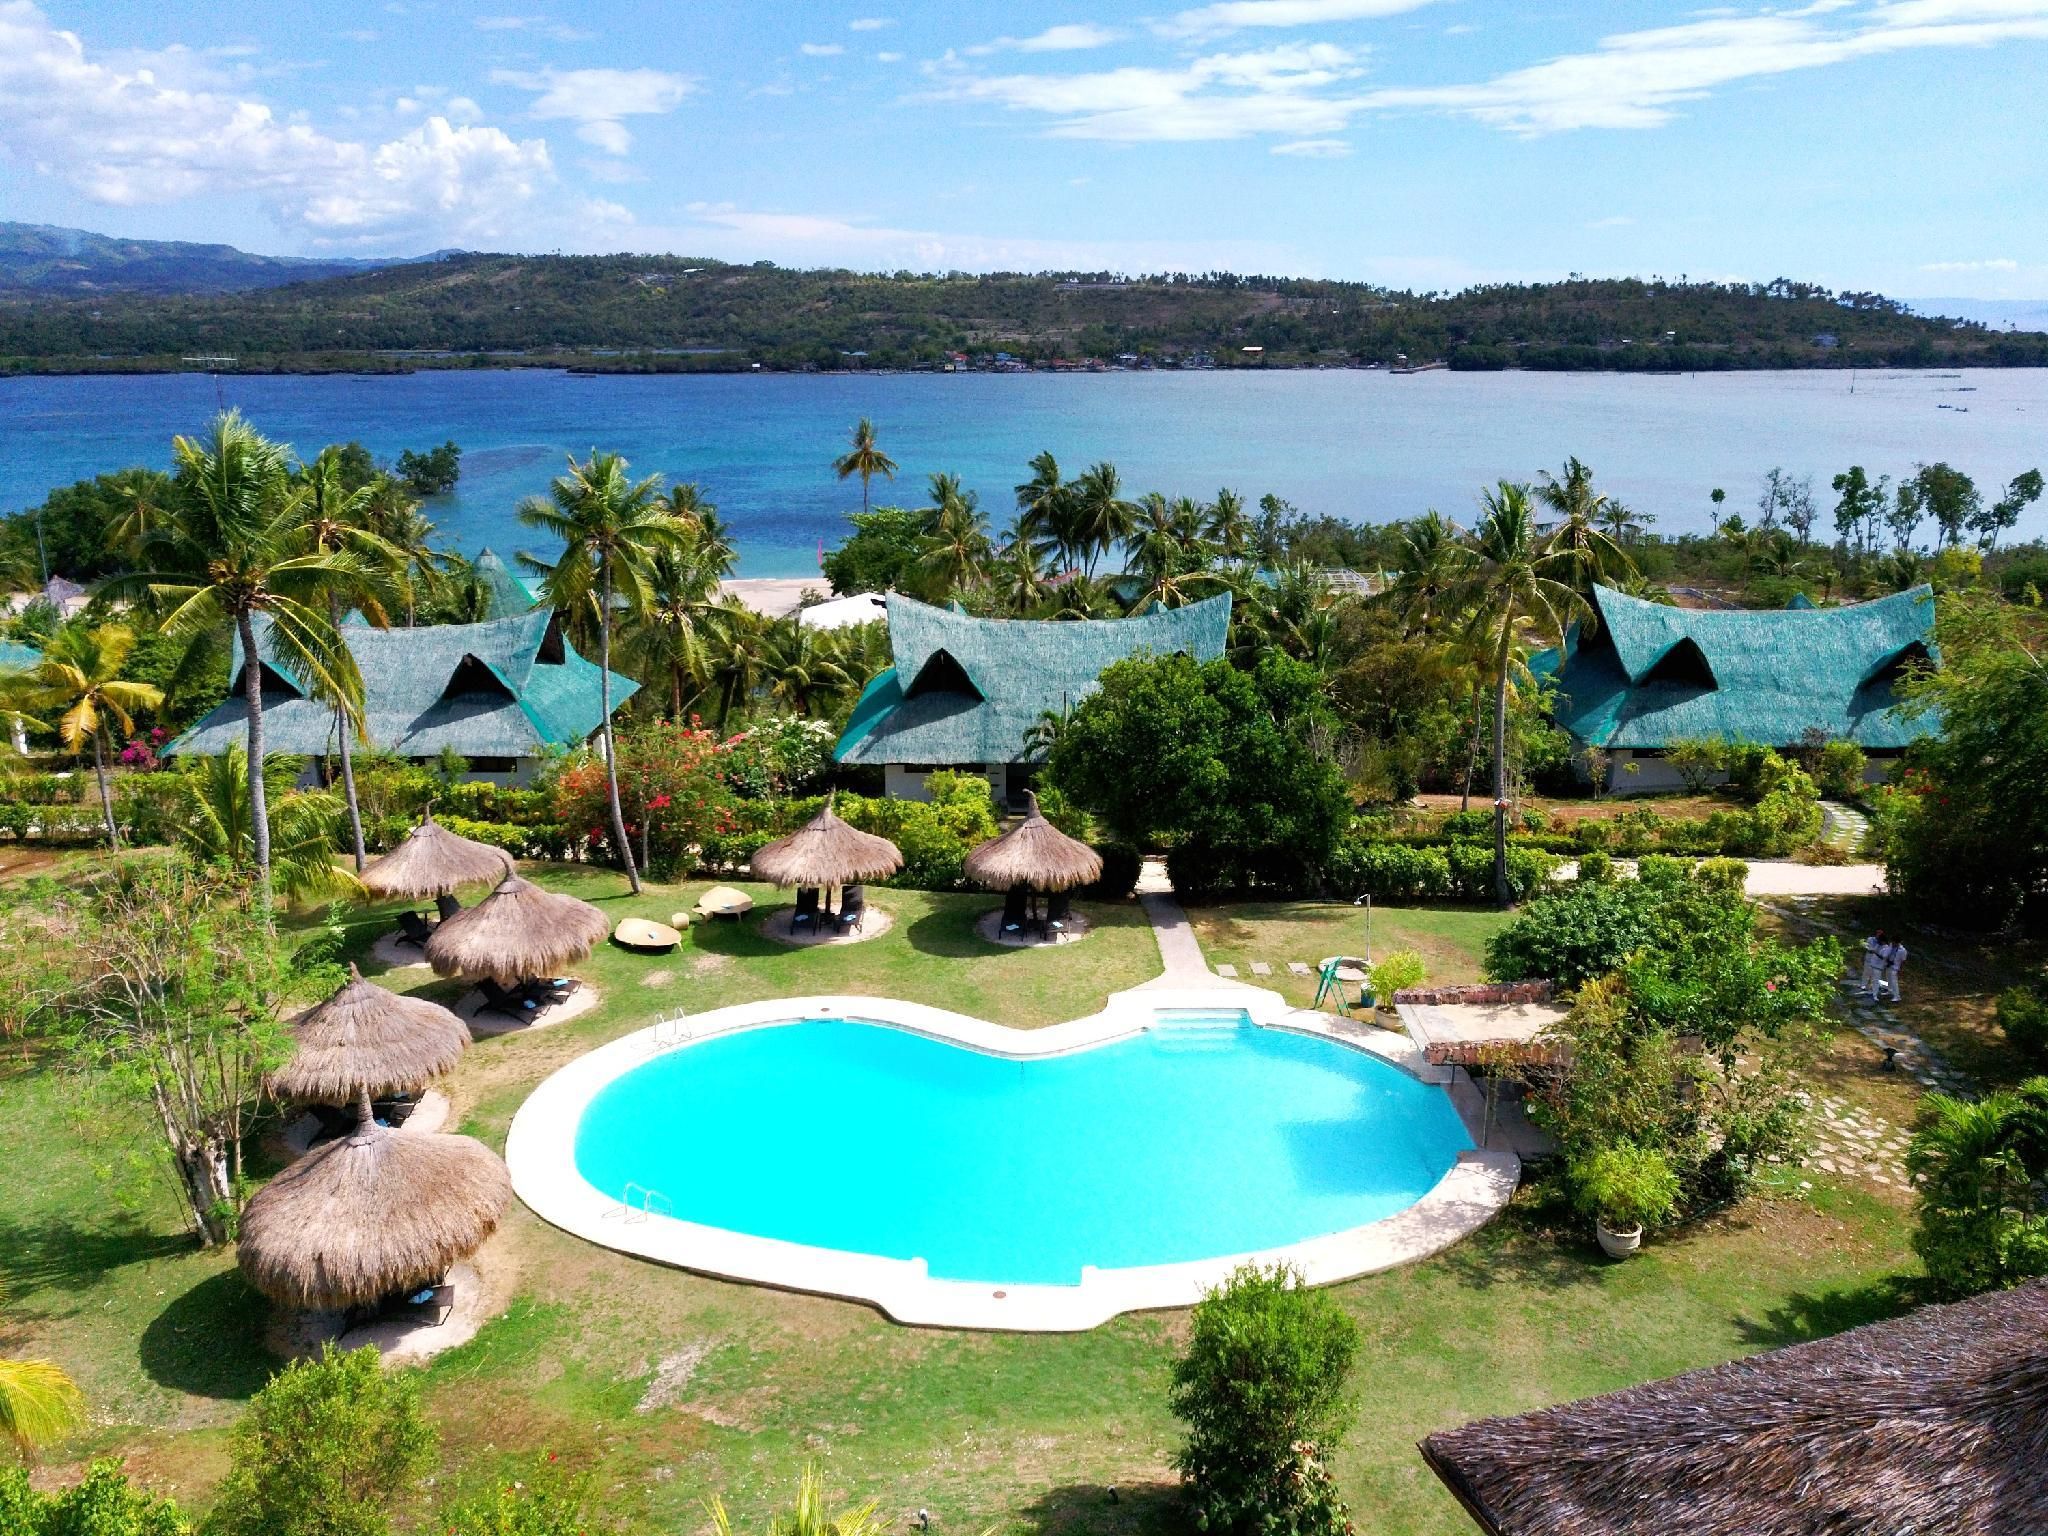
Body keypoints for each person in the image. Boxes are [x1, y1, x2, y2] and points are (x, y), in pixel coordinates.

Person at [1856, 930, 1888, 996]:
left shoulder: (1885, 947)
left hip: (1879, 963)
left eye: (1880, 934)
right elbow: (1869, 949)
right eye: (1878, 933)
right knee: (1866, 973)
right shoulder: (1871, 939)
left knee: (1880, 976)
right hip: (1870, 960)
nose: (1878, 935)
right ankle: (1864, 985)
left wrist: (1874, 952)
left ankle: (1884, 988)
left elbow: (1883, 956)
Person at [1880, 937, 1908, 1004]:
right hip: (1888, 965)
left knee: (1894, 982)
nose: (1892, 943)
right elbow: (1885, 954)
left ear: (1898, 942)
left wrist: (1901, 969)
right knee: (1888, 979)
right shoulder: (1890, 947)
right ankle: (1889, 991)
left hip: (1895, 967)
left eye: (1894, 942)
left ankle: (1897, 996)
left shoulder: (1902, 950)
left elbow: (1903, 960)